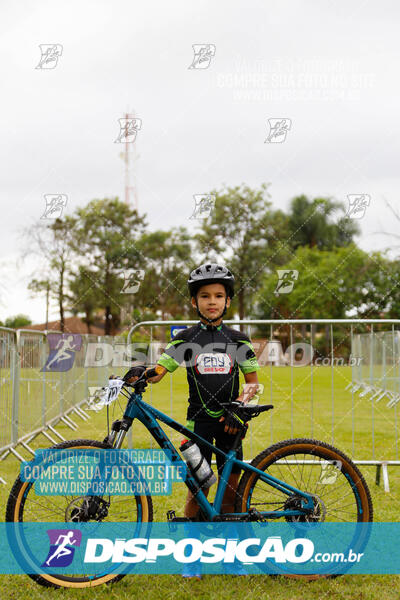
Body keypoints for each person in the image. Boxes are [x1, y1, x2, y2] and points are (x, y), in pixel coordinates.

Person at [128, 263, 261, 578]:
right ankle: (192, 561)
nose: (212, 301)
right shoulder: (185, 339)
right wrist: (139, 372)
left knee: (230, 492)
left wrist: (240, 406)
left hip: (232, 424)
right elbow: (159, 372)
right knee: (196, 490)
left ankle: (233, 559)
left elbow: (253, 383)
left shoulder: (239, 340)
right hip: (197, 424)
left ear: (228, 301)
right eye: (204, 296)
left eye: (218, 295)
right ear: (194, 302)